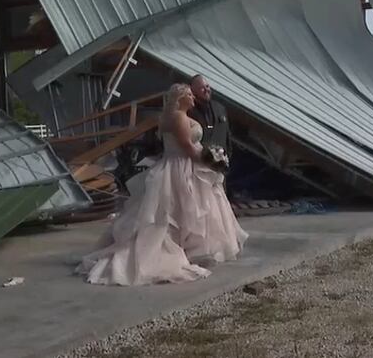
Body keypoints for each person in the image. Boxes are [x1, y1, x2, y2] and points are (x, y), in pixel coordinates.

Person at [75, 83, 248, 286]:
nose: (193, 98)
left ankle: (189, 249)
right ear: (180, 98)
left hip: (180, 164)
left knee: (188, 209)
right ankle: (177, 250)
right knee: (178, 210)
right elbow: (187, 148)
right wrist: (213, 162)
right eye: (189, 95)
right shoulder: (178, 118)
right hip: (182, 165)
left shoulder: (173, 116)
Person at [188, 75, 231, 159]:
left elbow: (227, 135)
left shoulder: (220, 108)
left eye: (207, 86)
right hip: (199, 161)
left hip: (220, 163)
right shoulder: (190, 111)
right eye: (202, 88)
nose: (206, 90)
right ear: (194, 92)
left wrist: (227, 155)